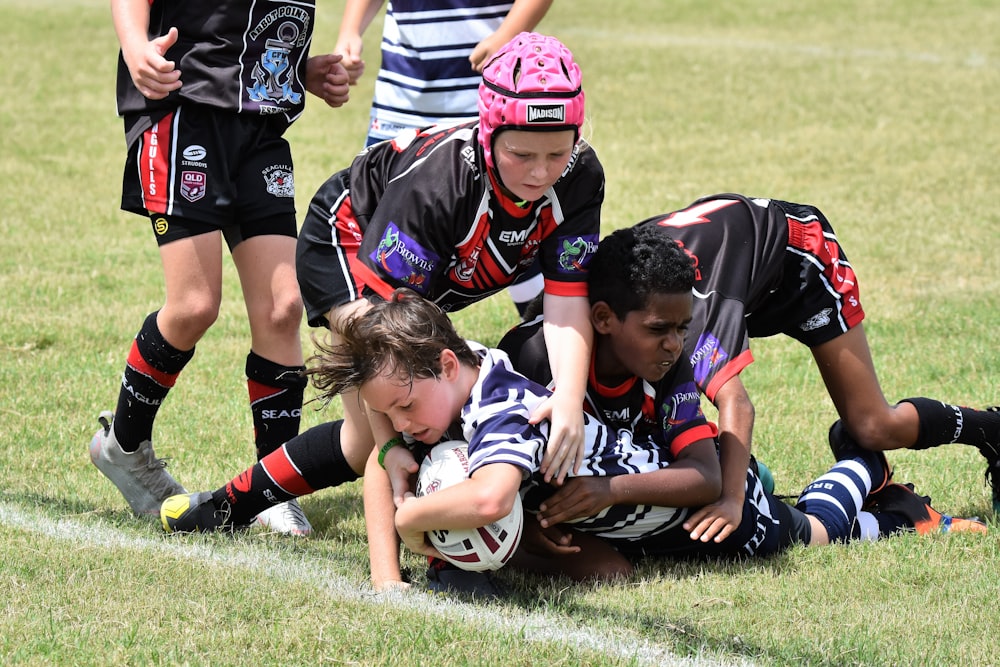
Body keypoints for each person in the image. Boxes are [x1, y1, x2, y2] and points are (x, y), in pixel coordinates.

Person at [159, 232, 985, 591]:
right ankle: (865, 474)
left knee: (806, 529)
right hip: (640, 528)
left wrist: (416, 521)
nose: (405, 425)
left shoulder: (506, 406)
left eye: (408, 407)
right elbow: (379, 460)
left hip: (703, 507)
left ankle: (879, 482)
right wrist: (389, 582)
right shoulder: (437, 404)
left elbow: (481, 500)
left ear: (447, 365)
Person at [295, 31, 602, 526]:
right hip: (348, 236)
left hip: (425, 273)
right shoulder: (442, 184)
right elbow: (383, 341)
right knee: (383, 427)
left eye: (556, 154)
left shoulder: (582, 175)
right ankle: (236, 507)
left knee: (388, 428)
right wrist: (393, 441)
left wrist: (568, 397)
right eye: (521, 155)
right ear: (489, 132)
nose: (541, 173)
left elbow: (567, 303)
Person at [88, 0, 351, 535]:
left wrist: (304, 69)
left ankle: (275, 486)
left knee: (284, 307)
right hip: (185, 110)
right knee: (194, 306)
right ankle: (124, 446)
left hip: (260, 126)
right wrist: (135, 43)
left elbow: (245, 26)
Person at [637, 193, 1000, 544]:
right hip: (733, 266)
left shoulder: (680, 315)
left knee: (873, 426)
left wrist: (731, 499)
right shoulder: (617, 297)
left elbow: (737, 405)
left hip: (800, 258)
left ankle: (991, 430)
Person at [334, 1, 556, 316]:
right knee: (384, 235)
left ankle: (544, 329)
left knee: (510, 228)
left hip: (481, 97)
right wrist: (350, 30)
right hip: (402, 98)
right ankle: (388, 343)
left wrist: (508, 34)